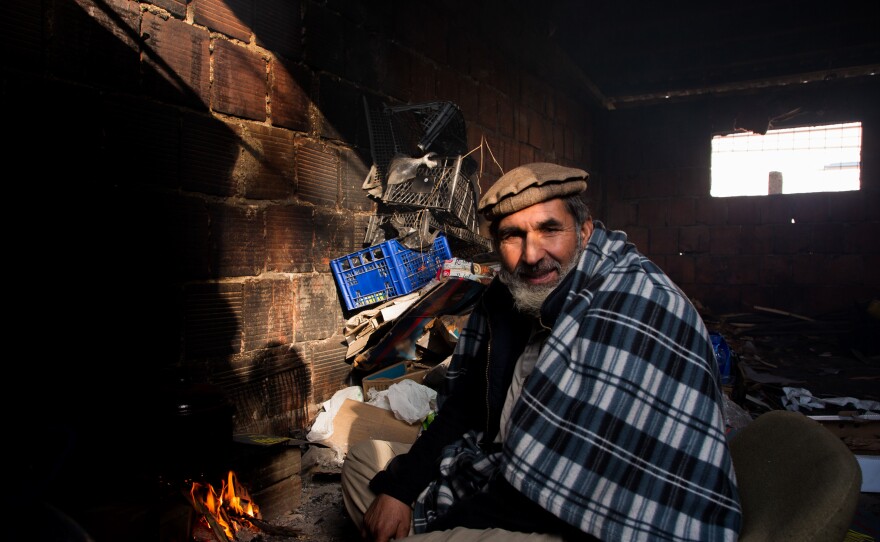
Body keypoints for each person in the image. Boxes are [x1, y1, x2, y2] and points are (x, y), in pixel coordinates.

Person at [341, 162, 742, 541]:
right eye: (513, 236)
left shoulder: (632, 304)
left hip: (589, 518)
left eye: (549, 229)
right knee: (364, 463)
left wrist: (439, 524)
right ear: (496, 245)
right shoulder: (510, 295)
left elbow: (567, 489)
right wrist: (401, 490)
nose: (532, 255)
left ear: (584, 231)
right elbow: (465, 405)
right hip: (501, 469)